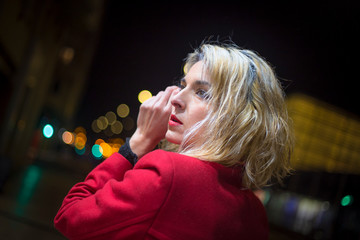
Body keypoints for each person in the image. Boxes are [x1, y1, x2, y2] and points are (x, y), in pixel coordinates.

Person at [54, 42, 293, 240]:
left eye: (202, 92)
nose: (176, 98)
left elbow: (70, 216)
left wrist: (138, 142)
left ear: (237, 117)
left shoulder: (168, 172)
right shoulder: (255, 212)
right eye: (183, 85)